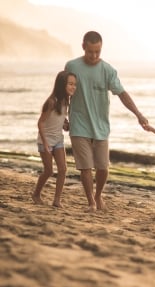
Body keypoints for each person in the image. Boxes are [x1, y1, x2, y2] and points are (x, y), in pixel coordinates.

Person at [65, 31, 148, 212]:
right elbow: (64, 92)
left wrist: (138, 114)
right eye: (90, 52)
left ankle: (98, 194)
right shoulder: (72, 66)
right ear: (83, 47)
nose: (94, 56)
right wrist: (63, 116)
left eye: (98, 52)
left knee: (103, 168)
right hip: (78, 124)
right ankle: (91, 202)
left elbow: (122, 94)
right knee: (85, 167)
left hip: (101, 126)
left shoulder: (108, 70)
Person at [32, 70, 77, 207]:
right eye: (70, 84)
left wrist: (65, 123)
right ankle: (36, 194)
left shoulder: (66, 100)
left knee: (63, 169)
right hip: (45, 140)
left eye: (75, 84)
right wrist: (45, 143)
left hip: (58, 140)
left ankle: (57, 200)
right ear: (62, 85)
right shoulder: (51, 102)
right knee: (49, 171)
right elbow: (40, 122)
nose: (73, 87)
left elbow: (59, 117)